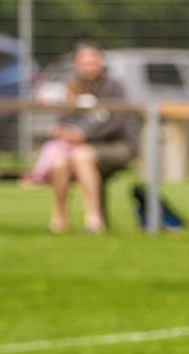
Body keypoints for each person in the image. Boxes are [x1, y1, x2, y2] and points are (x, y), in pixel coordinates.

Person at [45, 44, 138, 234]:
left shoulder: (114, 87)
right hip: (78, 148)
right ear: (76, 64)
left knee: (82, 156)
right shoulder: (71, 86)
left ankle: (94, 220)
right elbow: (64, 118)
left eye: (92, 62)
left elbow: (116, 122)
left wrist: (84, 135)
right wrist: (62, 132)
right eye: (84, 62)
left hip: (115, 146)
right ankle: (59, 219)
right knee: (58, 162)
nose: (89, 66)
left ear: (100, 62)